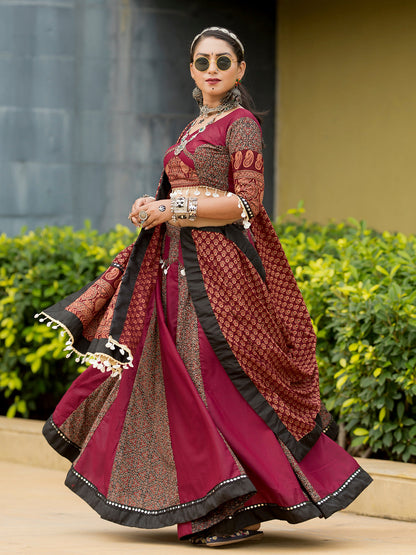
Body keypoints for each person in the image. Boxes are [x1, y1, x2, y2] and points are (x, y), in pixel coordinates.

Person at [37, 27, 372, 547]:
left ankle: (239, 504)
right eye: (201, 62)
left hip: (221, 275)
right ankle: (219, 502)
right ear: (192, 71)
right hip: (176, 267)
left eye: (222, 61)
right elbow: (180, 192)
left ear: (240, 70)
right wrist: (151, 209)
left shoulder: (241, 125)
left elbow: (248, 204)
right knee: (177, 381)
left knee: (214, 377)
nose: (212, 69)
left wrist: (173, 208)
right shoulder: (195, 125)